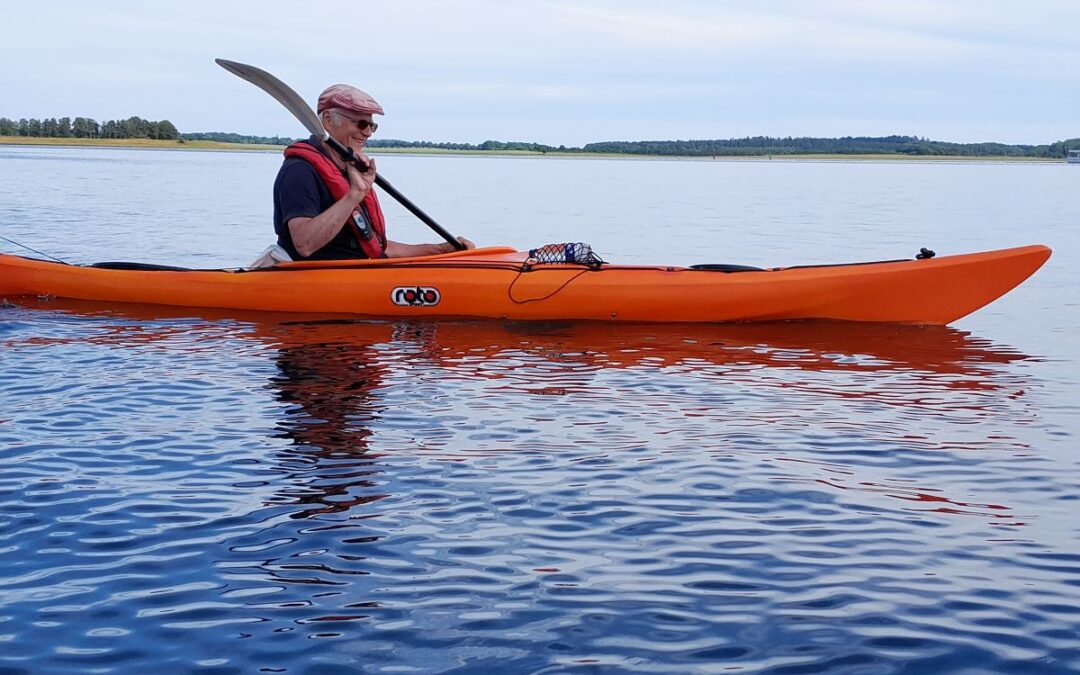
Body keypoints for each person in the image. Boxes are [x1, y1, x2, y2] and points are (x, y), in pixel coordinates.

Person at [272, 83, 474, 260]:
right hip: (313, 279)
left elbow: (376, 249)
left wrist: (439, 250)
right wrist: (354, 195)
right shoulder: (300, 171)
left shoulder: (348, 170)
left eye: (372, 125)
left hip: (356, 275)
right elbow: (304, 244)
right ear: (327, 119)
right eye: (360, 123)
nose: (367, 132)